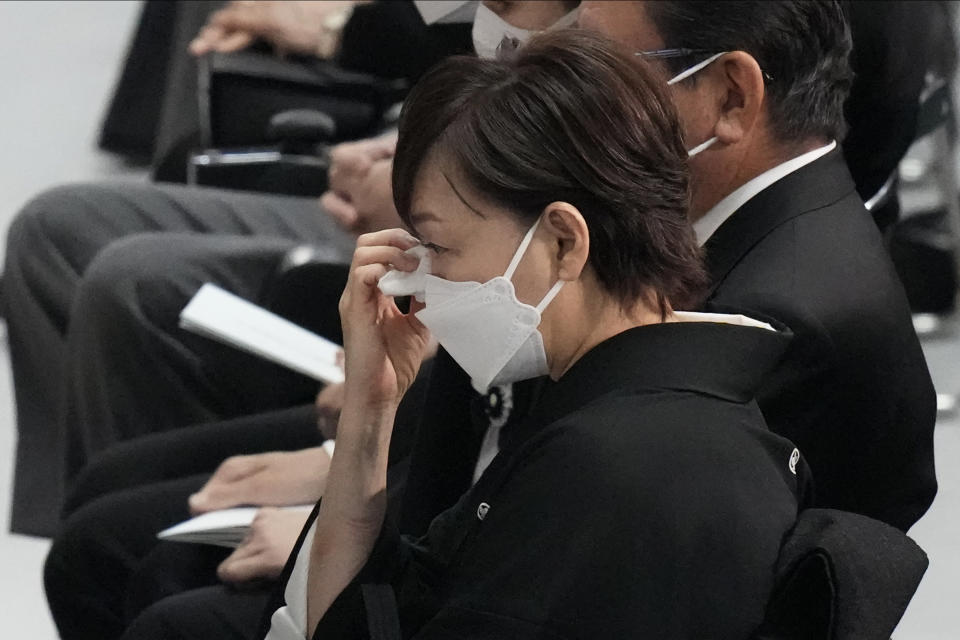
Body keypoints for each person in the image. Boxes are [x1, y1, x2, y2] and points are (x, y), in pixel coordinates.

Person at [255, 30, 916, 639]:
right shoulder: (656, 411)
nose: (416, 282)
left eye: (438, 246)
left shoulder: (606, 477)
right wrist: (371, 409)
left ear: (564, 240)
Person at [575, 0, 936, 532]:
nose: (569, 98)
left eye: (600, 70)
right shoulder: (796, 216)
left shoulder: (762, 325)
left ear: (731, 97)